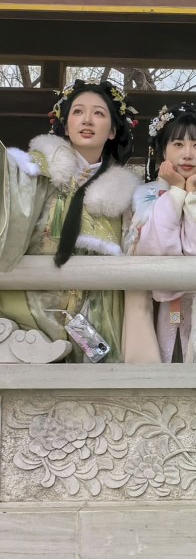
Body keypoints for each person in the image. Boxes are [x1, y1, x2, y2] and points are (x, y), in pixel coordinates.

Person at [0, 79, 141, 362]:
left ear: (113, 130)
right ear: (65, 126)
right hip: (31, 305)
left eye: (99, 113)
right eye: (78, 111)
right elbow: (9, 195)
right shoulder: (35, 169)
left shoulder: (127, 194)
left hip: (96, 310)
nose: (87, 120)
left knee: (96, 380)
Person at [122, 102, 196, 362]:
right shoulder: (142, 194)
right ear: (162, 149)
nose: (187, 154)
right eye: (178, 144)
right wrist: (177, 192)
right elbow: (154, 250)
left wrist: (193, 194)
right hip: (155, 303)